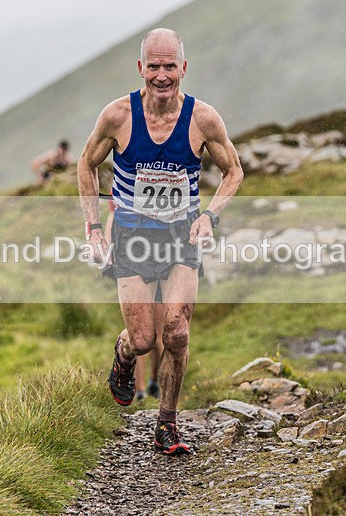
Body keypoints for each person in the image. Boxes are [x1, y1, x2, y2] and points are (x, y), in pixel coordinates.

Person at [78, 28, 243, 455]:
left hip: (180, 236)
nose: (162, 75)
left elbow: (234, 171)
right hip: (133, 237)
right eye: (154, 66)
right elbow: (86, 164)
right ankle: (123, 355)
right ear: (141, 68)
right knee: (144, 340)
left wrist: (210, 216)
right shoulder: (118, 116)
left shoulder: (203, 119)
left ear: (183, 69)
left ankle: (166, 424)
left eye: (170, 66)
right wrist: (93, 226)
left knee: (177, 333)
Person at [104, 200, 164, 402]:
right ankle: (140, 390)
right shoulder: (125, 180)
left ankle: (154, 381)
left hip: (161, 257)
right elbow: (113, 216)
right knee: (141, 334)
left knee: (157, 337)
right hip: (135, 260)